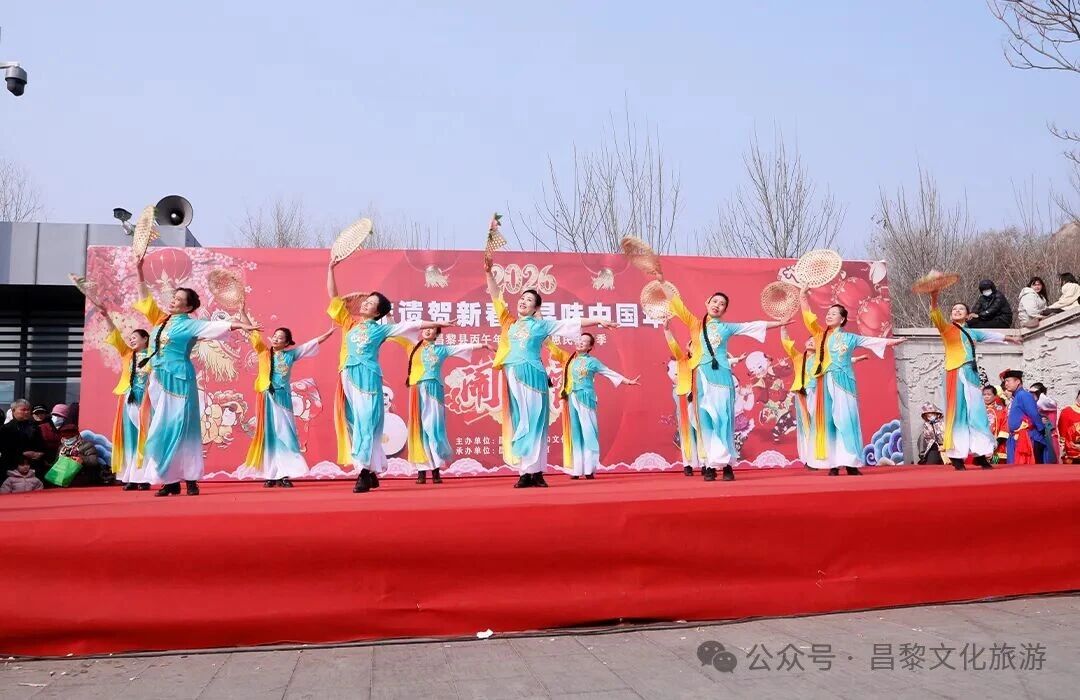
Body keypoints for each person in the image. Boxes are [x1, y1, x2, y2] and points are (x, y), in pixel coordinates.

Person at [134, 256, 261, 497]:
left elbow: (216, 327)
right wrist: (139, 270)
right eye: (174, 297)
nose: (174, 301)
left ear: (188, 308)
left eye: (179, 300)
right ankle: (170, 480)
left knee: (183, 428)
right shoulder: (160, 320)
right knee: (161, 428)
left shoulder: (190, 324)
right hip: (159, 380)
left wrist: (241, 325)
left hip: (180, 380)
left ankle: (191, 478)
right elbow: (144, 298)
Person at [484, 256, 614, 488]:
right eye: (522, 298)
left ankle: (535, 473)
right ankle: (526, 472)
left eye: (529, 300)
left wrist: (598, 320)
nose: (523, 302)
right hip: (513, 374)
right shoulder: (508, 322)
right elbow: (495, 295)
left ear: (536, 308)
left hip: (534, 375)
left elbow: (572, 322)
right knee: (522, 421)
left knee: (536, 421)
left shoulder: (541, 325)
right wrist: (488, 273)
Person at [326, 259, 453, 493]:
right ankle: (371, 470)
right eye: (366, 301)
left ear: (378, 312)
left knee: (367, 421)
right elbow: (334, 298)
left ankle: (363, 472)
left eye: (371, 303)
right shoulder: (349, 323)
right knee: (355, 422)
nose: (365, 304)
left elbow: (412, 324)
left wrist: (439, 322)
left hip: (368, 378)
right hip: (347, 375)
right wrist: (330, 270)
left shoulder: (382, 329)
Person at [660, 282, 787, 482]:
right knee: (706, 421)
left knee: (725, 420)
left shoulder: (727, 327)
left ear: (725, 310)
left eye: (722, 304)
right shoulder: (695, 324)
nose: (717, 305)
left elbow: (752, 325)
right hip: (702, 378)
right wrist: (661, 281)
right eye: (715, 301)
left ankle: (727, 465)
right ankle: (710, 465)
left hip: (723, 378)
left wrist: (780, 323)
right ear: (707, 303)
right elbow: (678, 304)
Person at [799, 290, 906, 475]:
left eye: (833, 313)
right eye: (828, 313)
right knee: (828, 422)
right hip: (825, 382)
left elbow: (871, 341)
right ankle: (832, 465)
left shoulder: (851, 338)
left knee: (847, 420)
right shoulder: (819, 335)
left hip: (845, 382)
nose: (829, 315)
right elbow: (808, 316)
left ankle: (850, 462)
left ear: (842, 319)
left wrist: (893, 342)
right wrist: (802, 296)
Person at [241, 311, 336, 488]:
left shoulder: (290, 355)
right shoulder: (263, 351)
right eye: (275, 336)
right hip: (267, 399)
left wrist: (328, 334)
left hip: (283, 399)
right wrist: (243, 314)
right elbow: (252, 332)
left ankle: (285, 473)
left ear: (287, 343)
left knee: (285, 435)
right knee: (269, 436)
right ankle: (270, 475)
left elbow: (310, 345)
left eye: (281, 338)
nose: (276, 339)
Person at [928, 290, 1017, 470]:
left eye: (961, 309)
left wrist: (1010, 338)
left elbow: (991, 336)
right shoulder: (946, 329)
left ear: (968, 315)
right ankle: (956, 456)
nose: (957, 311)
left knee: (978, 414)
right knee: (958, 414)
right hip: (954, 373)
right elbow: (935, 314)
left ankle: (980, 454)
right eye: (954, 309)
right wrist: (934, 297)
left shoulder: (973, 332)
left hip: (971, 373)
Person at [401, 327, 492, 484]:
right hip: (417, 390)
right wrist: (389, 317)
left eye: (432, 329)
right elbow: (398, 332)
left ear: (437, 334)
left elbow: (462, 347)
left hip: (434, 390)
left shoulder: (442, 350)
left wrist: (483, 345)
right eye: (426, 328)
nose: (428, 331)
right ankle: (421, 471)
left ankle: (436, 470)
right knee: (419, 429)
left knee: (434, 428)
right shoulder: (412, 346)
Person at [547, 333, 639, 479]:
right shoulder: (568, 359)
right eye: (580, 340)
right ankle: (577, 470)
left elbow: (608, 372)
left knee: (588, 432)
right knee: (576, 434)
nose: (581, 342)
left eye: (585, 341)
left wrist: (627, 381)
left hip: (586, 398)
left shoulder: (592, 362)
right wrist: (544, 336)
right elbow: (553, 348)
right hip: (572, 397)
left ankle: (589, 469)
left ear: (590, 347)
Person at [89, 299, 154, 490]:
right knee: (129, 438)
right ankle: (131, 477)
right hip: (128, 398)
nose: (131, 340)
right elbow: (115, 335)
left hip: (146, 400)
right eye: (130, 338)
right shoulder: (127, 354)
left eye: (135, 337)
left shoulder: (153, 355)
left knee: (145, 436)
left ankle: (145, 477)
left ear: (145, 339)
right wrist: (106, 316)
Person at [664, 322, 702, 476]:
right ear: (687, 347)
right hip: (683, 397)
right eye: (692, 345)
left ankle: (705, 463)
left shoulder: (703, 361)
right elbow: (673, 344)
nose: (694, 348)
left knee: (701, 430)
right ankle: (688, 463)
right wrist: (667, 330)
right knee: (686, 429)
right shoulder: (682, 359)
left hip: (699, 399)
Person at [1000, 369, 1046, 464]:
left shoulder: (1024, 395)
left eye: (1008, 381)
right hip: (1017, 438)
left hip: (1027, 438)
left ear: (1017, 381)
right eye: (1005, 382)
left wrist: (1041, 429)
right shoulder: (1016, 396)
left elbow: (1034, 414)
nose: (1006, 384)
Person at [0, 400, 46, 482]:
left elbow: (41, 444)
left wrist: (39, 453)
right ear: (13, 410)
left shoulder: (34, 427)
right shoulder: (6, 428)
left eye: (28, 410)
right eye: (23, 410)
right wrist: (23, 453)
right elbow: (4, 448)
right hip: (13, 468)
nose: (27, 412)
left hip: (34, 468)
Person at [1030, 382, 1059, 464]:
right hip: (1039, 436)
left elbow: (1042, 402)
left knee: (1049, 458)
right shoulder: (1036, 403)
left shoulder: (1048, 403)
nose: (1031, 395)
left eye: (1033, 393)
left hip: (1049, 434)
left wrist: (1039, 393)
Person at [981, 385, 1009, 463]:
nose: (986, 397)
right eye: (984, 394)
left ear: (995, 395)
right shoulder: (978, 409)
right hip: (980, 446)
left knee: (996, 468)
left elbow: (1004, 427)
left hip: (997, 446)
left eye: (989, 394)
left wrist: (996, 443)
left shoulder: (1001, 410)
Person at [1057, 390, 1080, 464]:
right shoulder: (1067, 411)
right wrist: (1063, 450)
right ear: (1078, 396)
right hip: (1071, 453)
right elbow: (1062, 432)